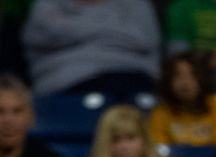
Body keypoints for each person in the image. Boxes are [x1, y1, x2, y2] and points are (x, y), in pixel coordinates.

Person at [22, 0, 160, 100]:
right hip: (67, 82)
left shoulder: (135, 4)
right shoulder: (48, 4)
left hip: (133, 77)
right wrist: (114, 33)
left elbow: (144, 39)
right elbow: (42, 35)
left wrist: (78, 32)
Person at [149, 51, 216, 147]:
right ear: (168, 80)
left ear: (202, 78)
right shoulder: (160, 112)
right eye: (177, 75)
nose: (185, 82)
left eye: (192, 75)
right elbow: (159, 149)